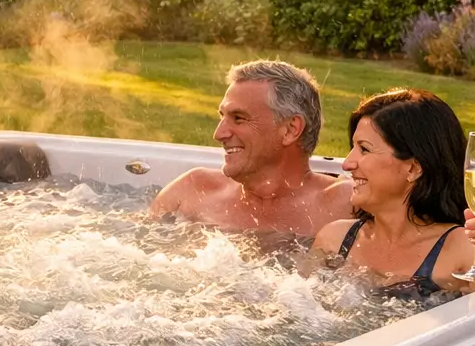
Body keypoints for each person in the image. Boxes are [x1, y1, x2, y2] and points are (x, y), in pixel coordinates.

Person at [313, 89, 475, 293]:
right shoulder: (333, 241)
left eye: (364, 149)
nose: (347, 163)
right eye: (353, 147)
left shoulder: (461, 250)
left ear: (413, 169)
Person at [149, 60, 352, 237]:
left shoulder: (343, 205)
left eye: (238, 118)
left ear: (291, 129)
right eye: (222, 117)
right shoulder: (193, 190)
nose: (219, 134)